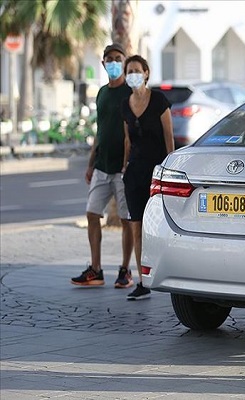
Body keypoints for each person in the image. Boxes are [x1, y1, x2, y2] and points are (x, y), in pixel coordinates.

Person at [71, 43, 134, 288]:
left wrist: (129, 163)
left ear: (125, 62)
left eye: (118, 58)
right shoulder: (102, 93)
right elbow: (100, 130)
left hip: (122, 168)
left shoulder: (129, 92)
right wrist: (90, 163)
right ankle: (96, 269)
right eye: (110, 59)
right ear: (104, 63)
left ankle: (125, 270)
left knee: (127, 219)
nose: (114, 62)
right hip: (101, 166)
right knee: (92, 213)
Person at [120, 55, 174, 300]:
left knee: (161, 225)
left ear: (146, 73)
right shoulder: (126, 104)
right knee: (136, 225)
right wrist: (124, 168)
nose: (133, 74)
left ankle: (169, 272)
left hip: (157, 171)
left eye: (136, 70)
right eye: (129, 71)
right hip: (134, 173)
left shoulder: (159, 100)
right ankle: (142, 281)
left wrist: (171, 167)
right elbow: (127, 141)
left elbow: (168, 137)